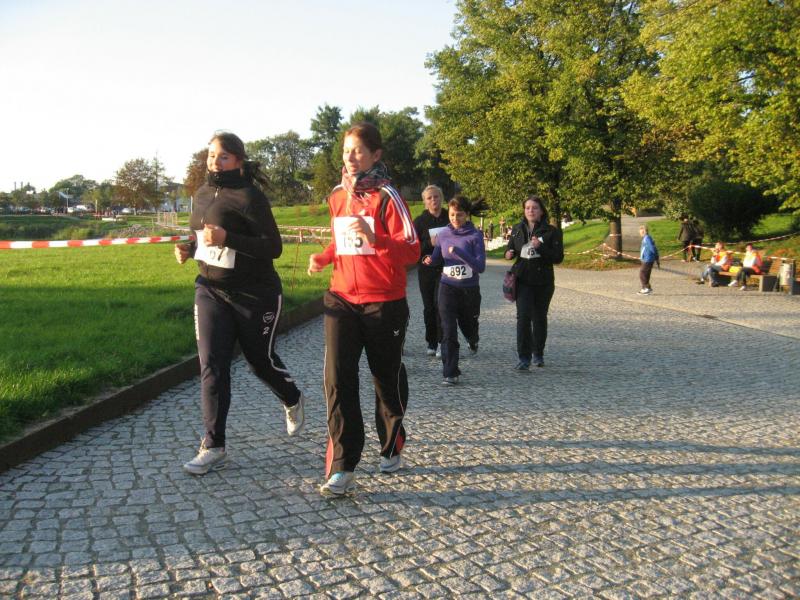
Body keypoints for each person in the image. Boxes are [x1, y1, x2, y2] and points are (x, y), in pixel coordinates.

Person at [174, 131, 308, 475]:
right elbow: (199, 237)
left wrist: (228, 237)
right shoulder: (201, 194)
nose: (215, 162)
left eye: (223, 156)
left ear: (238, 160)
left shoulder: (250, 197)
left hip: (254, 293)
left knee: (259, 361)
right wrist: (188, 249)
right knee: (212, 365)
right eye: (211, 156)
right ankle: (213, 445)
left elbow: (273, 247)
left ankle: (291, 397)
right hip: (211, 290)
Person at [307, 122, 420, 497]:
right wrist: (324, 257)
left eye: (357, 150)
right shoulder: (338, 195)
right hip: (341, 298)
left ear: (375, 155)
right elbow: (341, 241)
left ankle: (391, 442)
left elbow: (412, 250)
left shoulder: (388, 197)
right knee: (337, 378)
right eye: (346, 150)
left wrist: (378, 238)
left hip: (384, 302)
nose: (350, 157)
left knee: (385, 379)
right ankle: (343, 466)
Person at [423, 195, 487, 385]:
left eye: (459, 215)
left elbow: (480, 267)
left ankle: (472, 339)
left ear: (467, 215)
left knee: (469, 326)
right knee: (448, 330)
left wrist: (459, 253)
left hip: (469, 290)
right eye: (452, 215)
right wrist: (429, 260)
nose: (455, 218)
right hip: (447, 287)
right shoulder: (443, 234)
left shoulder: (475, 236)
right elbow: (437, 258)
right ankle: (450, 372)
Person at [504, 195, 564, 370]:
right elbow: (511, 248)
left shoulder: (552, 231)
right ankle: (524, 357)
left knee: (539, 317)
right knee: (523, 317)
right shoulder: (517, 229)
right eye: (527, 208)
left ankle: (538, 353)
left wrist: (541, 247)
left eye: (535, 208)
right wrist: (508, 254)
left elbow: (558, 257)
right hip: (522, 279)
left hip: (543, 281)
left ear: (541, 211)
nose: (530, 211)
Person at [413, 185, 449, 357]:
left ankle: (442, 341)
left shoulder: (450, 217)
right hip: (426, 269)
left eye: (436, 196)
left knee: (441, 305)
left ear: (441, 198)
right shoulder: (419, 221)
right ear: (425, 202)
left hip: (446, 268)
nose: (433, 200)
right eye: (429, 198)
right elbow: (413, 248)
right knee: (429, 307)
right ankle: (431, 342)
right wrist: (429, 243)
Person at [638, 224, 659, 295]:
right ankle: (645, 288)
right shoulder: (646, 238)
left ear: (644, 231)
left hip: (648, 259)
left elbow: (652, 248)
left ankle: (646, 288)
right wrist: (642, 257)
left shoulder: (647, 238)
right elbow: (645, 249)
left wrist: (656, 257)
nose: (640, 233)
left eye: (641, 232)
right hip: (646, 258)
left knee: (642, 274)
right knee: (646, 274)